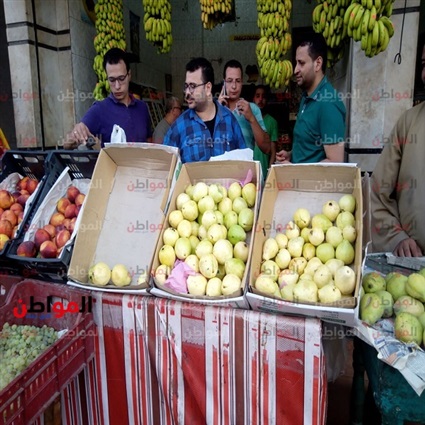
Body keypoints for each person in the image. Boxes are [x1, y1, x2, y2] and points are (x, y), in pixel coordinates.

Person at [370, 42, 425, 257]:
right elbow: (379, 189)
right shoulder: (409, 122)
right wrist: (396, 237)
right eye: (423, 64)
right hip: (411, 267)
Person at [275, 34, 346, 164]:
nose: (295, 69)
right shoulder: (307, 97)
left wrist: (293, 170)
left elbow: (335, 162)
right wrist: (291, 155)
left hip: (313, 184)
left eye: (301, 63)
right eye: (296, 63)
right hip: (298, 182)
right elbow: (310, 148)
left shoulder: (328, 104)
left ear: (317, 63)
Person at [64, 48, 152, 149]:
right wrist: (76, 131)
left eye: (121, 78)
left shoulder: (142, 107)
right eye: (112, 80)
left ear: (129, 75)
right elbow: (67, 144)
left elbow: (149, 141)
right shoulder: (100, 109)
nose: (117, 86)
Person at [163, 57, 246, 163]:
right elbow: (166, 167)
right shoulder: (180, 126)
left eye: (193, 86)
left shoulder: (229, 120)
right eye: (186, 86)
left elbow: (244, 163)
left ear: (208, 88)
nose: (187, 92)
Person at [218, 60, 271, 178]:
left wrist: (251, 118)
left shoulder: (252, 109)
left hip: (246, 176)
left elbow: (266, 148)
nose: (233, 86)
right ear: (224, 83)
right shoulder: (214, 109)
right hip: (220, 175)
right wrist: (217, 110)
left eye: (238, 81)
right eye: (229, 81)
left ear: (242, 82)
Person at [252, 85, 278, 175]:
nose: (260, 99)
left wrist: (269, 173)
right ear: (253, 99)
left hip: (263, 172)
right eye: (257, 96)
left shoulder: (272, 122)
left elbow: (273, 151)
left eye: (263, 97)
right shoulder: (247, 120)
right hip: (248, 171)